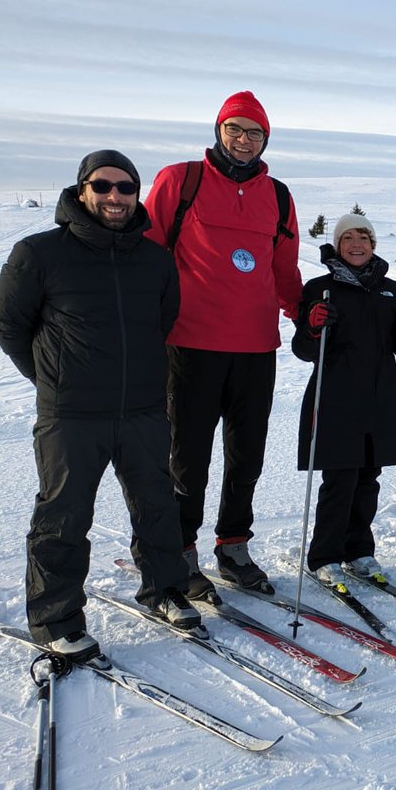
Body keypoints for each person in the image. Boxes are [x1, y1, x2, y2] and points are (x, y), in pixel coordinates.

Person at [0, 150, 201, 662]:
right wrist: (53, 380)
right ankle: (57, 618)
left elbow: (164, 321)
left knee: (158, 506)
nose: (115, 196)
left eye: (126, 187)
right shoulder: (39, 252)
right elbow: (10, 325)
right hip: (72, 415)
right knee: (63, 517)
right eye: (103, 186)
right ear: (82, 190)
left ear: (137, 193)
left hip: (145, 409)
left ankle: (164, 590)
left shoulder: (154, 258)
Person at [144, 91, 303, 596]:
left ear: (265, 140)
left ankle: (233, 545)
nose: (243, 140)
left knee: (247, 453)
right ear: (219, 131)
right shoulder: (181, 180)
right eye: (235, 129)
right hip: (191, 342)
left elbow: (284, 268)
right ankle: (181, 550)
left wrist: (306, 315)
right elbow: (146, 254)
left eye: (254, 132)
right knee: (188, 454)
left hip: (256, 346)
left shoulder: (277, 195)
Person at [292, 214, 396, 584]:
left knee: (368, 478)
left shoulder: (390, 290)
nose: (357, 244)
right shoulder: (320, 288)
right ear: (338, 245)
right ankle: (325, 555)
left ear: (373, 245)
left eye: (364, 238)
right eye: (349, 238)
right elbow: (303, 350)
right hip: (336, 397)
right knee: (340, 480)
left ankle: (359, 551)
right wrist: (313, 326)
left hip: (380, 397)